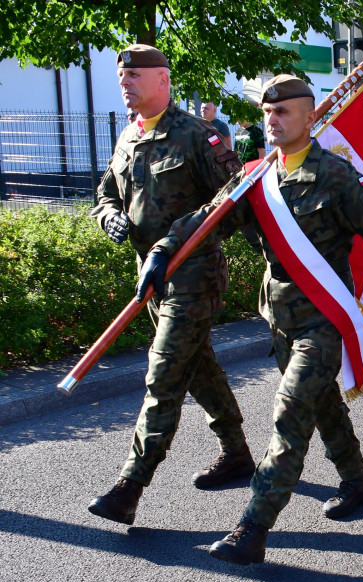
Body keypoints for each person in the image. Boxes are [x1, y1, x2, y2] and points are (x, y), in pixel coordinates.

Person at [138, 75, 363, 564]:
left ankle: (253, 526)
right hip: (280, 317)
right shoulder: (254, 177)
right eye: (267, 113)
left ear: (311, 118)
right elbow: (208, 217)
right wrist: (164, 248)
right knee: (324, 404)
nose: (273, 121)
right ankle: (356, 481)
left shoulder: (337, 176)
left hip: (324, 318)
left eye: (284, 112)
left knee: (289, 415)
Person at [87, 45, 253, 527]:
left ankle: (130, 486)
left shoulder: (197, 136)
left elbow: (233, 202)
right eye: (122, 76)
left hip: (194, 277)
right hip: (151, 278)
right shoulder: (128, 136)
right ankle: (237, 452)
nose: (125, 83)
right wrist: (110, 215)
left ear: (163, 79)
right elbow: (105, 193)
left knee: (163, 375)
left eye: (135, 75)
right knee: (198, 368)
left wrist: (176, 240)